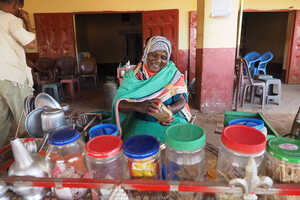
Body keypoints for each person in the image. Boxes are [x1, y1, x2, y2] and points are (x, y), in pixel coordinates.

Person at [113, 36, 192, 142]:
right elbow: (119, 104)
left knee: (180, 143)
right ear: (146, 54)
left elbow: (182, 100)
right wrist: (139, 106)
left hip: (170, 119)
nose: (158, 60)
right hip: (141, 121)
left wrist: (168, 112)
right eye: (154, 55)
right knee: (136, 147)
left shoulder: (171, 73)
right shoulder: (133, 76)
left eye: (163, 57)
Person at [0, 0, 36, 146]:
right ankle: (30, 157)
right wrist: (27, 21)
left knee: (2, 121)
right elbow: (31, 45)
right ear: (15, 4)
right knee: (26, 119)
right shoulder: (10, 19)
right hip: (12, 77)